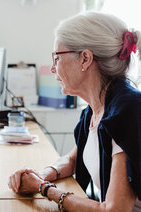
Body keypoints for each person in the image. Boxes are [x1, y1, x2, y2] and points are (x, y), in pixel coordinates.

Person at [8, 11, 141, 212]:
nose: (53, 68)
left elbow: (115, 210)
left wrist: (44, 188)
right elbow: (73, 159)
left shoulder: (127, 110)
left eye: (57, 58)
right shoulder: (97, 106)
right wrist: (42, 174)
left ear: (85, 59)